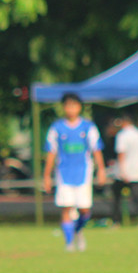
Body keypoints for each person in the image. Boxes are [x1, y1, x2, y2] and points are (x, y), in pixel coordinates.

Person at [42, 93, 106, 252]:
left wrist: (101, 170)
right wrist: (46, 176)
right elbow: (51, 153)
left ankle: (77, 231)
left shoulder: (88, 127)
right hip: (64, 173)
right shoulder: (57, 128)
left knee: (84, 210)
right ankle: (69, 243)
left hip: (83, 173)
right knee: (66, 207)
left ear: (79, 107)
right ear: (63, 107)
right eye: (68, 105)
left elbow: (96, 149)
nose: (71, 109)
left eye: (74, 105)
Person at [111, 115, 138, 225]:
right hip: (137, 171)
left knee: (117, 198)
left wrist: (122, 171)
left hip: (123, 171)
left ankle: (116, 221)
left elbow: (121, 153)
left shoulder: (122, 135)